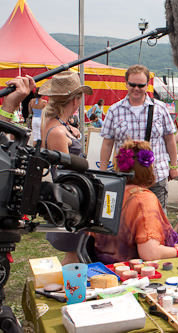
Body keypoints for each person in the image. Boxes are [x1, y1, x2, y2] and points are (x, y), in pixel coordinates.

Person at [93, 140, 178, 263]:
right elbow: (150, 253)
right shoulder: (143, 199)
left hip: (102, 269)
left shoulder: (108, 193)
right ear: (148, 168)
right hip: (131, 274)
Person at [100, 65, 178, 209]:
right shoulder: (114, 110)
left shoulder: (160, 108)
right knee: (127, 220)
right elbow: (107, 143)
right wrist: (103, 171)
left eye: (141, 85)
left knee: (156, 220)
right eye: (132, 84)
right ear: (126, 83)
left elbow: (170, 139)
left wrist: (173, 166)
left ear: (147, 85)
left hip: (156, 176)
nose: (136, 88)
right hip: (126, 176)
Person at [38, 71, 92, 265]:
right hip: (72, 197)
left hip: (76, 195)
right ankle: (67, 289)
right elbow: (66, 174)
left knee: (79, 251)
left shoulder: (60, 126)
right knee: (74, 254)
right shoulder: (58, 131)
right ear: (75, 101)